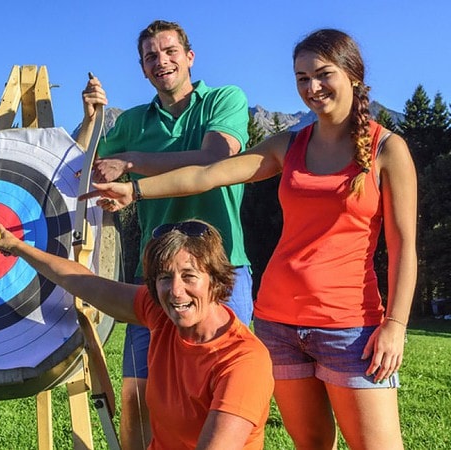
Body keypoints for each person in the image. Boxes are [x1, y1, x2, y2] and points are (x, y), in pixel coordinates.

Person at [85, 29, 417, 449]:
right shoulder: (289, 144)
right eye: (301, 78)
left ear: (353, 75)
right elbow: (207, 175)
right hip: (278, 322)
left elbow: (405, 248)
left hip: (351, 326)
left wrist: (395, 325)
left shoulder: (388, 149)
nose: (312, 88)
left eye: (322, 74)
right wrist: (135, 190)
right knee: (311, 444)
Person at [75, 19, 252, 449]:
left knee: (222, 392)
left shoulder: (224, 100)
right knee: (139, 395)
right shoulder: (133, 120)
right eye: (151, 56)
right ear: (142, 68)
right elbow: (82, 166)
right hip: (155, 277)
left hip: (222, 269)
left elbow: (213, 161)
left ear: (190, 57)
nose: (162, 61)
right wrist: (92, 120)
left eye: (170, 51)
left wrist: (132, 165)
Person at [0, 219, 273, 449]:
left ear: (216, 280)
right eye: (164, 277)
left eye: (189, 276)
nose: (175, 291)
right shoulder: (160, 312)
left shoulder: (244, 363)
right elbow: (84, 283)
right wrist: (18, 247)